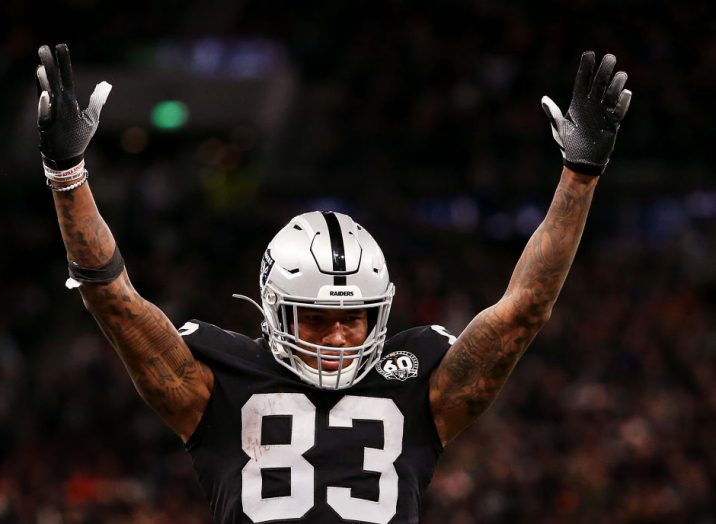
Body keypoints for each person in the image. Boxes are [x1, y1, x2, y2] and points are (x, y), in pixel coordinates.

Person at [35, 43, 631, 523]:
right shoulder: (215, 382)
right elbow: (112, 298)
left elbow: (525, 309)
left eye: (355, 317)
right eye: (317, 318)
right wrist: (66, 174)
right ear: (274, 311)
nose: (340, 336)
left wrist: (580, 175)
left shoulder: (419, 380)